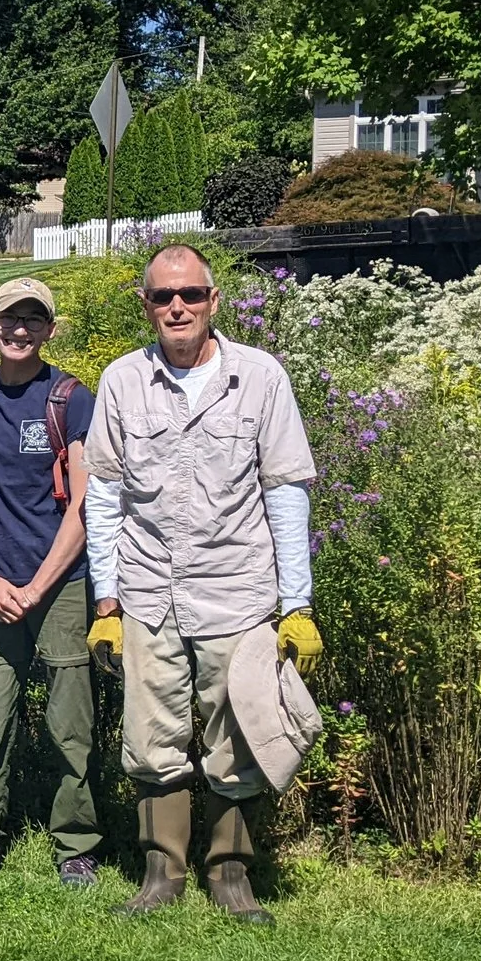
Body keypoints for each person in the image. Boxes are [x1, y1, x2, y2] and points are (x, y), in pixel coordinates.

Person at [84, 243, 322, 924]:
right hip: (149, 593)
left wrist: (297, 606)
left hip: (237, 592)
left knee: (239, 736)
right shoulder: (123, 381)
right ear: (147, 305)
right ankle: (163, 873)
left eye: (190, 294)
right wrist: (108, 603)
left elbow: (285, 490)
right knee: (151, 738)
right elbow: (102, 498)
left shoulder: (261, 377)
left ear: (215, 300)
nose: (177, 306)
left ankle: (231, 876)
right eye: (163, 296)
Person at [0, 277, 102, 882]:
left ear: (50, 330)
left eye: (34, 320)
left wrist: (37, 587)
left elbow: (85, 504)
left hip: (60, 586)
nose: (20, 330)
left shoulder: (69, 398)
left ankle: (76, 845)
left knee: (70, 726)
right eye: (10, 318)